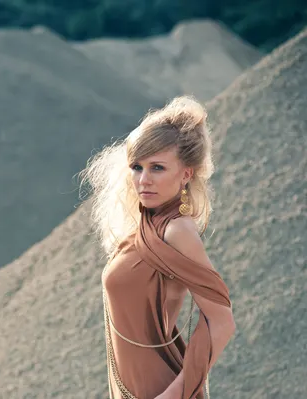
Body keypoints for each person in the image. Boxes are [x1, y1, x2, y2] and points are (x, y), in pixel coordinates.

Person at [78, 96, 236, 399]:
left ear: (186, 174)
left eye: (158, 168)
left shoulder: (176, 230)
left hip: (159, 388)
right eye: (137, 167)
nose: (143, 180)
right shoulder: (147, 224)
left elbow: (222, 321)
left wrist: (171, 396)